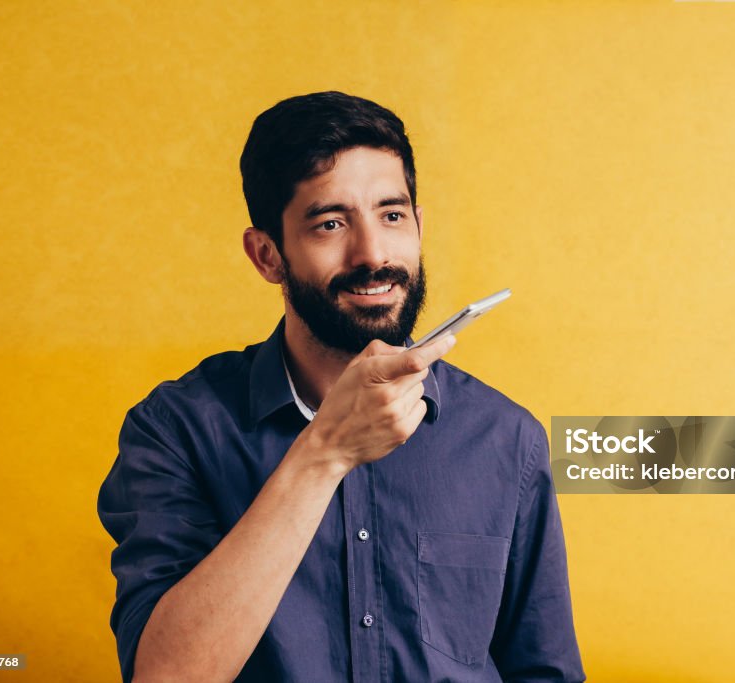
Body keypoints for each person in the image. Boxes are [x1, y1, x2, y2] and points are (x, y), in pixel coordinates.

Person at [97, 91, 584, 683]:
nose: (374, 253)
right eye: (330, 224)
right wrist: (324, 453)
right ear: (268, 255)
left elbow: (544, 671)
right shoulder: (177, 430)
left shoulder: (506, 439)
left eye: (392, 215)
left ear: (418, 224)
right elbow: (166, 676)